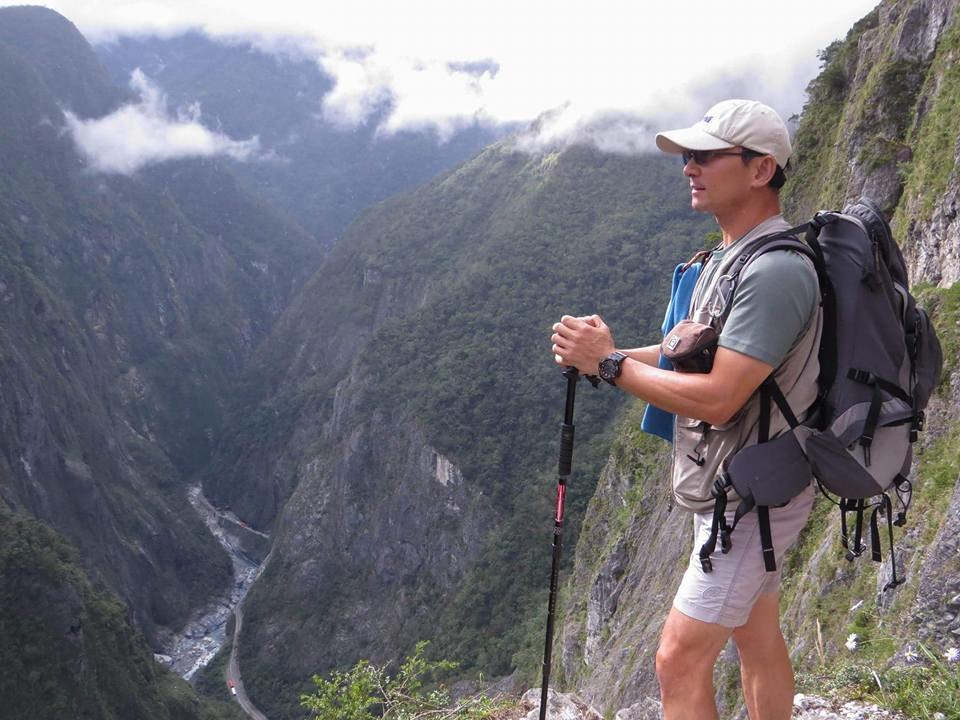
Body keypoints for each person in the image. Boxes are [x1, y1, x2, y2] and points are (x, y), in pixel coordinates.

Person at [549, 99, 821, 720]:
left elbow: (722, 393)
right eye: (687, 156)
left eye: (705, 156)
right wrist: (605, 351)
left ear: (760, 171)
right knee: (755, 635)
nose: (689, 168)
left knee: (678, 659)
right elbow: (689, 356)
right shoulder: (726, 257)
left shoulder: (774, 272)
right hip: (743, 480)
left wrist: (611, 367)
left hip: (754, 496)